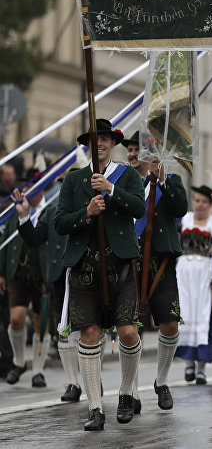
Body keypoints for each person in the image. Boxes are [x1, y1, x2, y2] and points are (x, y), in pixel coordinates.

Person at [53, 118, 145, 430]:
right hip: (84, 267)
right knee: (90, 334)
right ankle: (95, 407)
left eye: (105, 139)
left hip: (119, 265)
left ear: (113, 143)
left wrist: (111, 189)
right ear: (89, 145)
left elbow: (138, 208)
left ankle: (124, 392)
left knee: (128, 332)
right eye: (95, 140)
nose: (101, 144)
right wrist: (87, 213)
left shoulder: (127, 175)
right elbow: (61, 222)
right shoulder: (74, 179)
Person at [122, 131, 189, 411]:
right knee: (131, 328)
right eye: (130, 150)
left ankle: (161, 381)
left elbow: (180, 208)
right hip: (129, 261)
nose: (133, 154)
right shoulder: (122, 182)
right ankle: (132, 391)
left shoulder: (170, 181)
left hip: (160, 263)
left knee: (170, 323)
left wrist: (161, 178)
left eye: (139, 150)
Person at [14, 177, 79, 402]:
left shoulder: (91, 207)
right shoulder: (51, 212)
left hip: (86, 276)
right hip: (60, 278)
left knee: (90, 331)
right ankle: (73, 383)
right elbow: (34, 238)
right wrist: (24, 216)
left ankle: (92, 376)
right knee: (63, 330)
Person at [174, 185, 212, 385]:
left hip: (205, 277)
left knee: (204, 317)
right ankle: (188, 363)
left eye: (204, 202)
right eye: (197, 200)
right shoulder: (185, 220)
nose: (199, 205)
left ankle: (201, 369)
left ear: (210, 204)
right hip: (184, 276)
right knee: (185, 316)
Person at [2, 177, 49, 388]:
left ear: (40, 191)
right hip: (18, 273)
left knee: (41, 323)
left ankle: (38, 370)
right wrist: (1, 273)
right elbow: (5, 244)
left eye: (31, 190)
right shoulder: (16, 212)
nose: (27, 194)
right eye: (25, 190)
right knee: (16, 319)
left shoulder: (50, 210)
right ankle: (19, 362)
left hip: (42, 274)